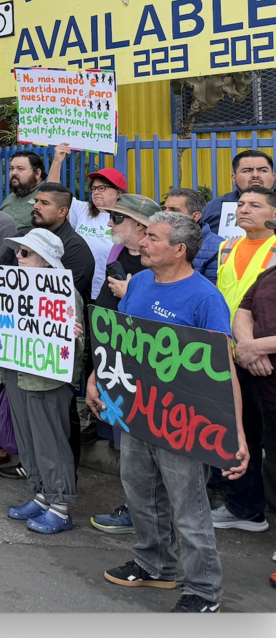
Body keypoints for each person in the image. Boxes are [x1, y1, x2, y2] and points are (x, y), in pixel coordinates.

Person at [89, 212, 247, 613]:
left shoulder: (205, 298)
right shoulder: (140, 282)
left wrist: (237, 433)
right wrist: (95, 377)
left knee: (189, 509)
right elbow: (119, 339)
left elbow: (223, 369)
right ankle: (154, 564)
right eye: (145, 235)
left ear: (179, 250)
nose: (143, 242)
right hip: (135, 412)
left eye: (154, 238)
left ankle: (203, 591)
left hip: (183, 424)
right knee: (140, 493)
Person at [0, 228, 85, 534]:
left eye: (26, 252)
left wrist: (70, 335)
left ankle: (59, 507)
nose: (18, 257)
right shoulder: (14, 286)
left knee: (50, 442)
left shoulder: (65, 293)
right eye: (18, 251)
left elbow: (77, 346)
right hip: (17, 373)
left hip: (46, 380)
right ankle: (41, 494)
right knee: (28, 440)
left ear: (47, 260)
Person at [211, 185, 276, 533]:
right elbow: (231, 300)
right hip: (232, 351)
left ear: (274, 214)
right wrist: (243, 345)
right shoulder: (228, 246)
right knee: (239, 432)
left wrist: (255, 349)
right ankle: (244, 507)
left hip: (264, 358)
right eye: (241, 204)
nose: (244, 209)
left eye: (255, 205)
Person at [231, 227, 276, 553]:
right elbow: (243, 309)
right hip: (266, 391)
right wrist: (247, 345)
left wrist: (255, 348)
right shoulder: (269, 273)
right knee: (273, 464)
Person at [0, 182, 95, 304]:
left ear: (62, 211)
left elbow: (65, 297)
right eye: (36, 201)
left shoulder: (76, 249)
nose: (36, 206)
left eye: (44, 203)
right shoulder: (21, 236)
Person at [48, 145, 124, 299]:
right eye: (94, 188)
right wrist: (57, 161)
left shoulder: (126, 219)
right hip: (79, 287)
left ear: (118, 193)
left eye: (102, 188)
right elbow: (54, 194)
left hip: (108, 291)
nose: (96, 192)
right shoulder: (83, 209)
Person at [201, 149, 275, 233]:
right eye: (247, 171)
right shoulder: (216, 206)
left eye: (263, 170)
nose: (255, 175)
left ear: (274, 177)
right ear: (234, 178)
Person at [163, 188, 222, 282]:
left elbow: (210, 288)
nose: (165, 214)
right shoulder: (154, 241)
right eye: (165, 209)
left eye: (174, 210)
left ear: (195, 216)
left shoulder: (218, 248)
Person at [1, 151, 45, 235]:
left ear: (37, 173)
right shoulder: (11, 197)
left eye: (20, 169)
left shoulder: (46, 195)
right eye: (11, 168)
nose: (14, 173)